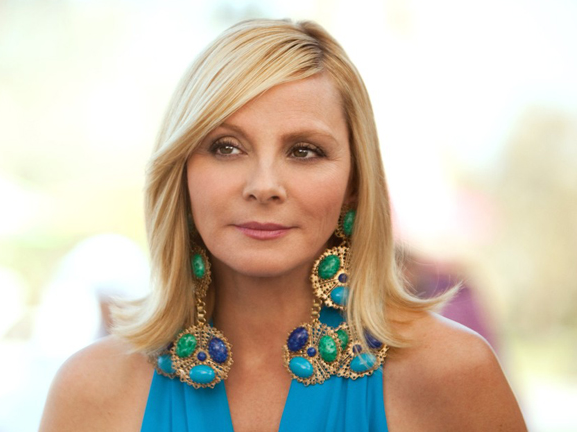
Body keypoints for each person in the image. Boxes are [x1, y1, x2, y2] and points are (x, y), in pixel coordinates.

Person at [39, 19, 526, 431]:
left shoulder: (451, 374)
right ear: (181, 172)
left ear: (354, 184)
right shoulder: (90, 392)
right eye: (226, 147)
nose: (264, 186)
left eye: (304, 151)